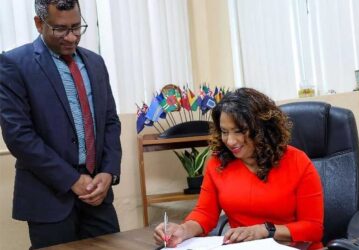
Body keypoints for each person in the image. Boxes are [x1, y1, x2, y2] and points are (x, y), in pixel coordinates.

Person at [0, 0, 121, 248]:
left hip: (98, 197)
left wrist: (109, 171)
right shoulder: (14, 64)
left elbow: (110, 121)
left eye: (76, 27)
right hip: (48, 199)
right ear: (38, 23)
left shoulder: (95, 63)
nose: (71, 37)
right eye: (60, 29)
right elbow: (19, 135)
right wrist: (71, 180)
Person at [154, 88, 324, 249]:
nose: (230, 141)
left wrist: (265, 230)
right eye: (224, 131)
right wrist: (183, 231)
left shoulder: (298, 161)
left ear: (262, 129)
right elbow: (204, 214)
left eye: (238, 131)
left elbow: (313, 228)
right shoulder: (218, 163)